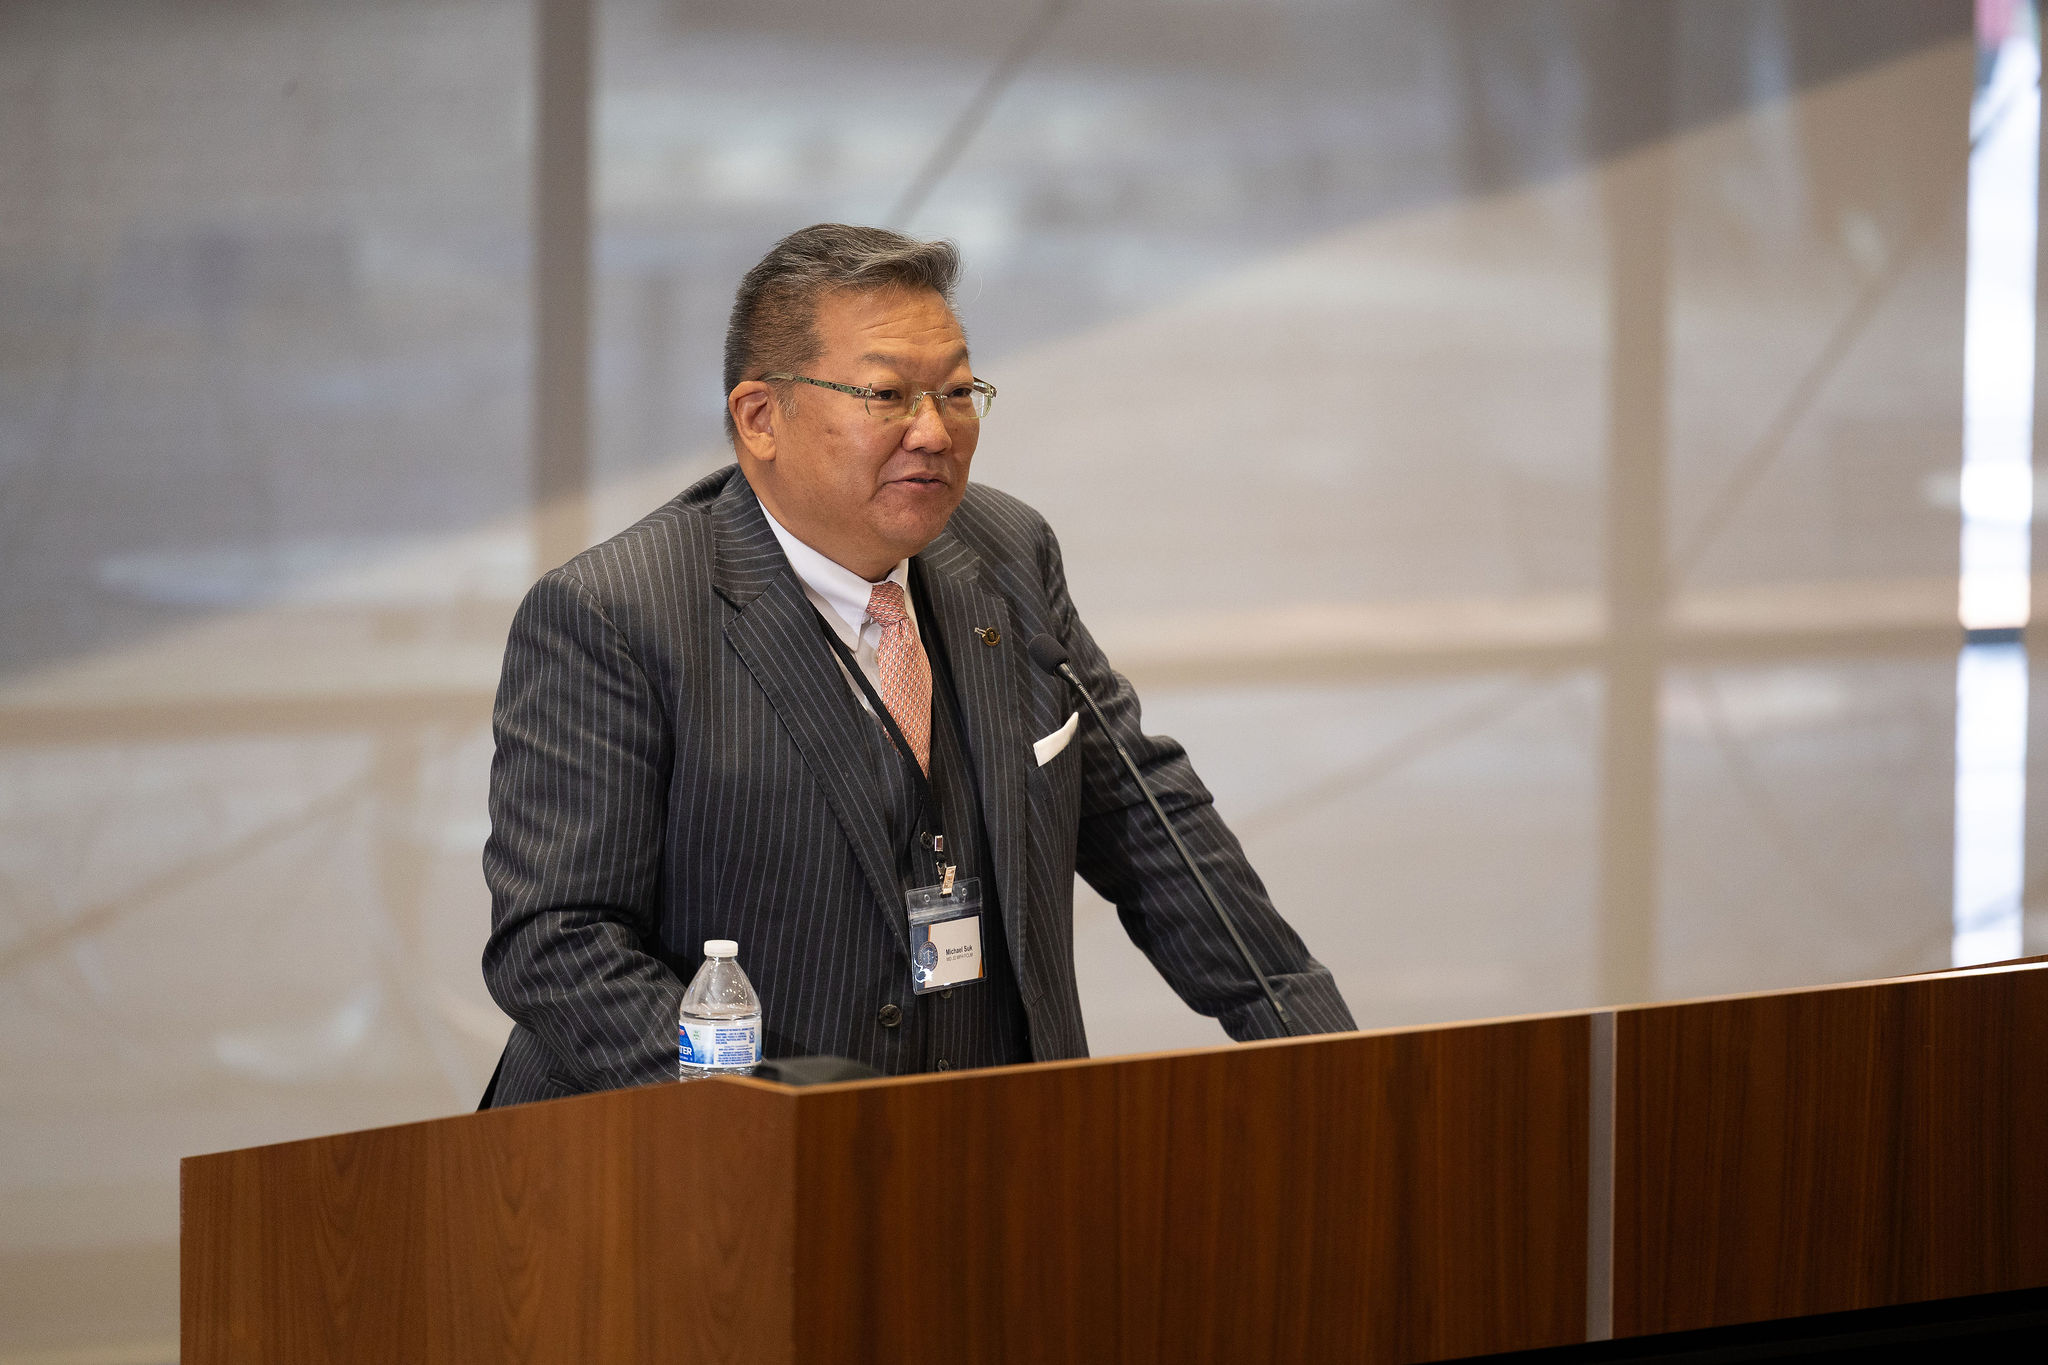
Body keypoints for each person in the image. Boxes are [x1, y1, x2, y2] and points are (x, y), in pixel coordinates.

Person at [480, 224, 1353, 1105]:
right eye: (889, 395)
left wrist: (1323, 1052)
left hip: (987, 1142)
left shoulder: (1007, 554)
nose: (934, 431)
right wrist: (771, 1123)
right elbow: (558, 938)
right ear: (761, 417)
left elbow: (1146, 817)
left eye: (958, 393)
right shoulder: (616, 612)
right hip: (706, 1160)